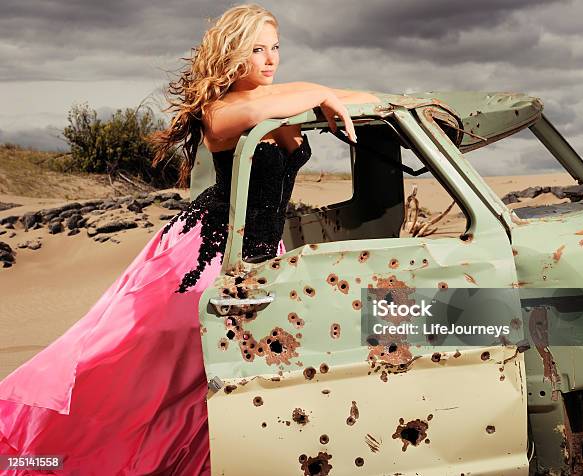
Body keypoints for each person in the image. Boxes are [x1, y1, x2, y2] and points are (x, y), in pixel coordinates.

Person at [0, 4, 378, 474]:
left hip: (260, 257)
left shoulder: (273, 98)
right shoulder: (220, 108)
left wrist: (389, 102)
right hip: (210, 252)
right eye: (256, 49)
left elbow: (331, 96)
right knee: (147, 365)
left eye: (275, 48)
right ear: (230, 53)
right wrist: (319, 92)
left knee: (219, 377)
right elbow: (261, 110)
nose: (270, 59)